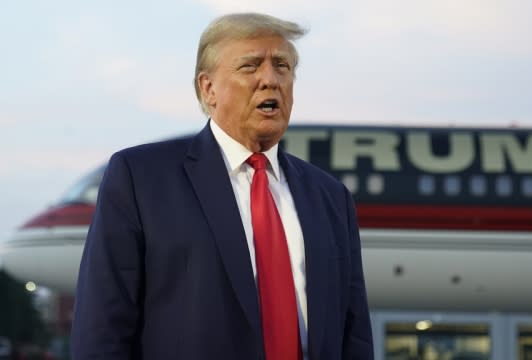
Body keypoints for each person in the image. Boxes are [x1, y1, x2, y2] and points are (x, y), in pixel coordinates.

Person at [70, 12, 373, 360]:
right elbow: (103, 327)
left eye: (282, 66)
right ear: (208, 88)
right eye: (250, 66)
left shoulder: (330, 197)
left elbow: (355, 335)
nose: (270, 80)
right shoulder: (140, 178)